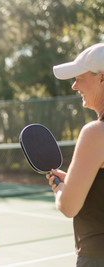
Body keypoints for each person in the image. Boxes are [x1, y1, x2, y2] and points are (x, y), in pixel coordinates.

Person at [47, 43, 104, 266]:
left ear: (102, 79)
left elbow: (69, 206)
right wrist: (74, 182)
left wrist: (61, 189)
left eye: (79, 77)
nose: (73, 85)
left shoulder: (95, 133)